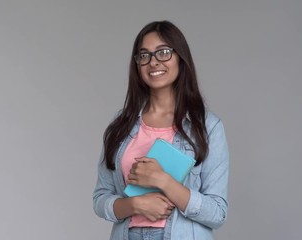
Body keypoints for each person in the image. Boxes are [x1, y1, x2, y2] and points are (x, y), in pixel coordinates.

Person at [92, 20, 229, 240]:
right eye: (144, 55)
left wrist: (162, 180)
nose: (153, 62)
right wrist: (135, 204)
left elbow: (217, 213)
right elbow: (101, 198)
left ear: (180, 58)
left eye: (163, 52)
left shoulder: (207, 127)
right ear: (137, 65)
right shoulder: (121, 125)